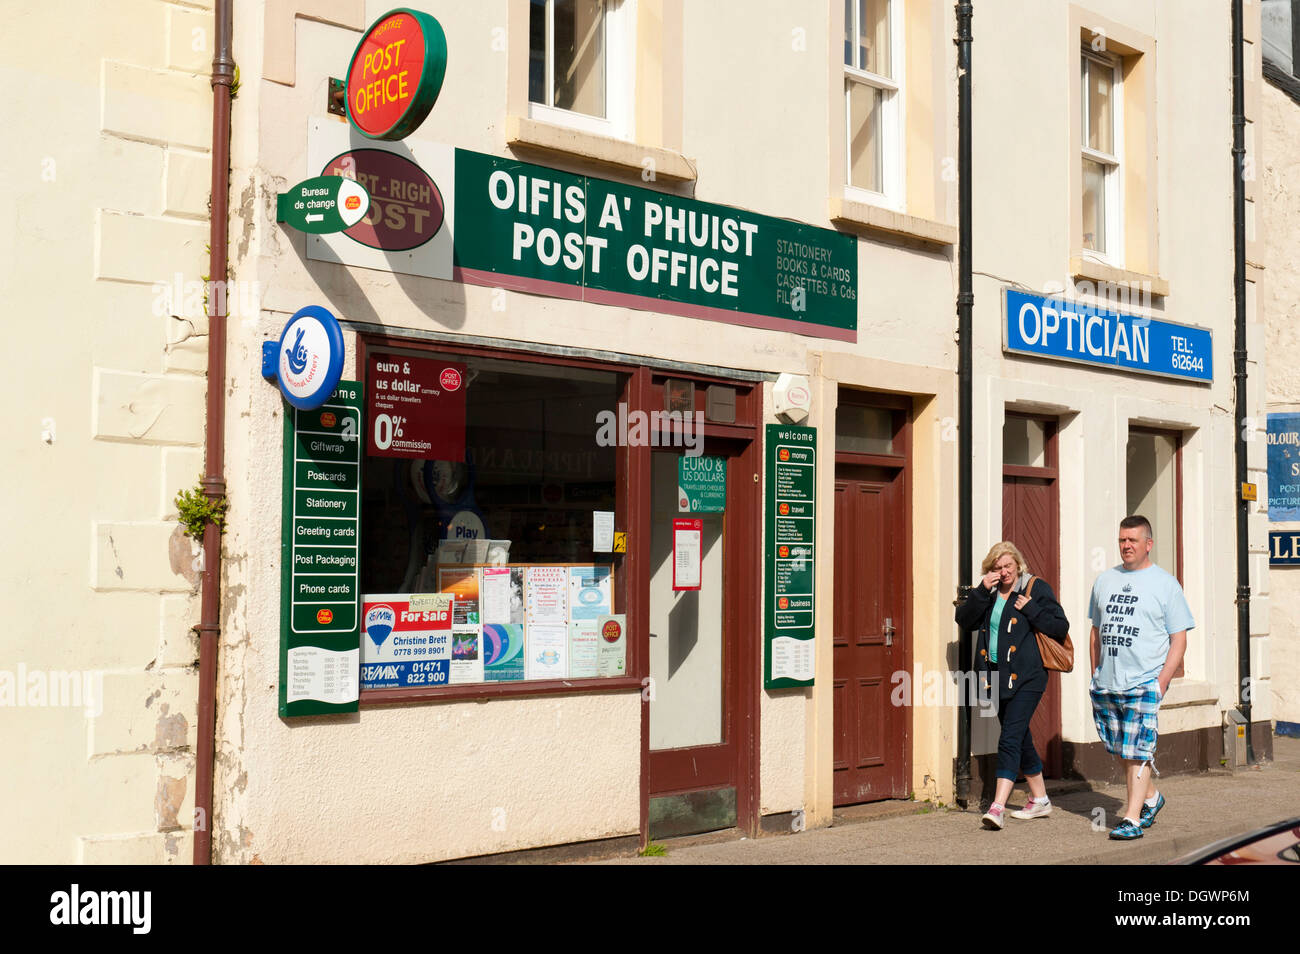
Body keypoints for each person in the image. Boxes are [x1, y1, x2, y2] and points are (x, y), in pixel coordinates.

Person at [1088, 515, 1194, 841]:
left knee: (1137, 750)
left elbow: (1179, 638)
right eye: (1122, 540)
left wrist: (1161, 681)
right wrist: (1095, 673)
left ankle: (1131, 819)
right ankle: (1151, 798)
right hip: (1107, 681)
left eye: (1133, 540)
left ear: (1148, 544)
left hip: (1144, 680)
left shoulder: (1165, 584)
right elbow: (1096, 632)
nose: (1126, 546)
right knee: (1122, 750)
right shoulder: (1105, 581)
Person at [955, 541, 1071, 830]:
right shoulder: (990, 594)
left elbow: (1060, 627)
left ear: (1018, 565)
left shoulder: (1035, 589)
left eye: (1008, 566)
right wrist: (981, 590)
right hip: (995, 677)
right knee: (1019, 737)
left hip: (1028, 677)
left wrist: (1032, 610)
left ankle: (997, 807)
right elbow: (965, 620)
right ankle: (1041, 799)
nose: (1004, 572)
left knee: (1008, 738)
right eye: (997, 567)